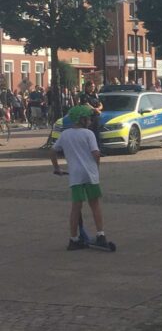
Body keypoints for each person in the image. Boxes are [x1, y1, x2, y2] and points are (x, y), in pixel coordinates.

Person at [49, 106, 110, 251]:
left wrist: (57, 168)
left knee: (76, 207)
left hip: (75, 175)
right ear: (81, 119)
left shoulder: (65, 135)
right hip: (90, 174)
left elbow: (52, 151)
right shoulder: (88, 134)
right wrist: (97, 168)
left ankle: (73, 238)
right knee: (94, 204)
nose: (89, 120)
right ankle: (100, 234)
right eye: (87, 118)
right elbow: (95, 153)